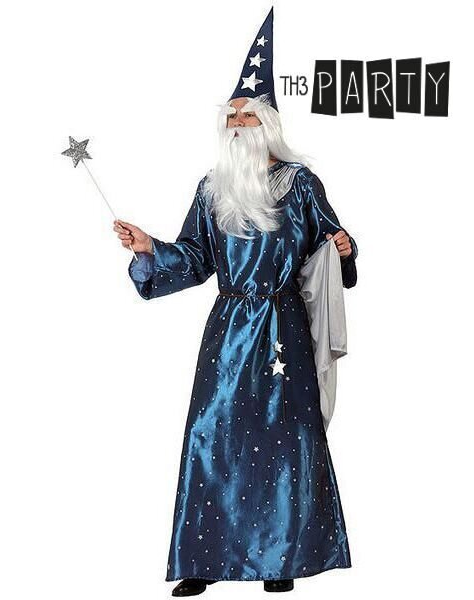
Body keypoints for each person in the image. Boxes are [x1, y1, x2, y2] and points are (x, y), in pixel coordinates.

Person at [113, 8, 357, 596]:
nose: (237, 125)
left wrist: (346, 249)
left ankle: (281, 559)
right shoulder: (211, 188)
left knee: (285, 434)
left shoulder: (300, 184)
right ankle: (202, 562)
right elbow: (194, 259)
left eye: (247, 116)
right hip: (228, 330)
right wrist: (150, 248)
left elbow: (331, 246)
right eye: (231, 117)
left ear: (268, 123)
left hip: (282, 325)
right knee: (213, 432)